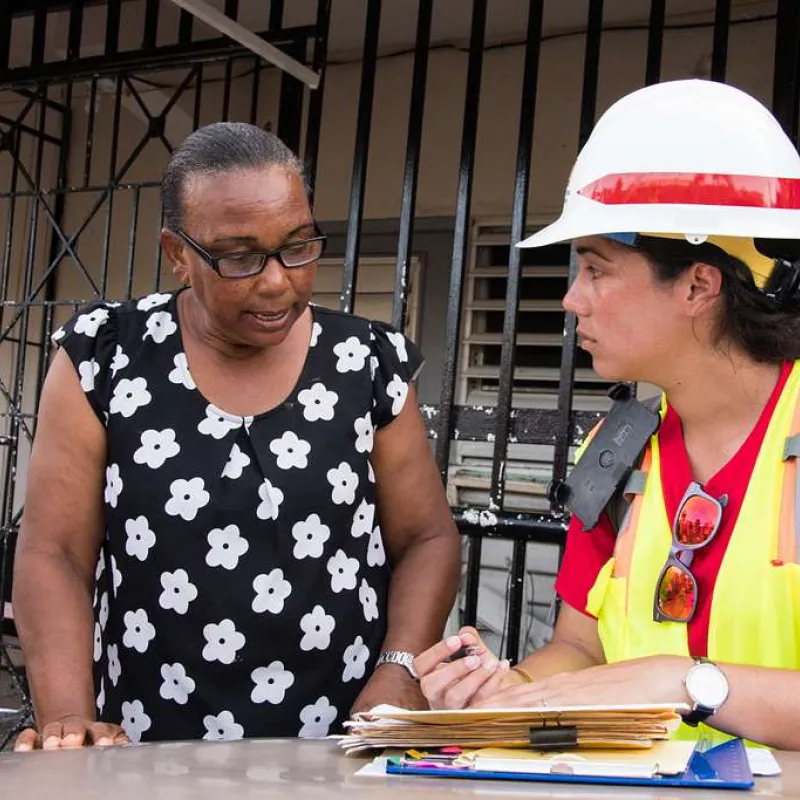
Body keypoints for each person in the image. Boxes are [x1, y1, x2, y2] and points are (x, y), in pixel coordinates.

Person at [12, 122, 460, 749]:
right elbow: (54, 552)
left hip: (337, 747)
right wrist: (68, 717)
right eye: (240, 257)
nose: (277, 281)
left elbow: (427, 538)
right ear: (177, 252)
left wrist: (399, 669)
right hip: (142, 749)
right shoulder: (106, 357)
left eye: (298, 247)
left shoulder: (366, 362)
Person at [413, 79, 800, 751]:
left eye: (595, 269)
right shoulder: (616, 446)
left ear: (698, 284)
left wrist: (686, 682)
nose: (570, 299)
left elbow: (659, 682)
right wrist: (514, 692)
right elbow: (580, 647)